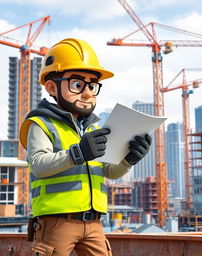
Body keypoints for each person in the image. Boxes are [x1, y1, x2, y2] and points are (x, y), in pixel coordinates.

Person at [19, 38, 152, 256]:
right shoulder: (41, 123)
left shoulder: (92, 129)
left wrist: (129, 160)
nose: (88, 93)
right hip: (56, 222)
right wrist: (78, 153)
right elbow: (38, 166)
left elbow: (108, 171)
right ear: (52, 87)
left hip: (94, 223)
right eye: (77, 85)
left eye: (92, 85)